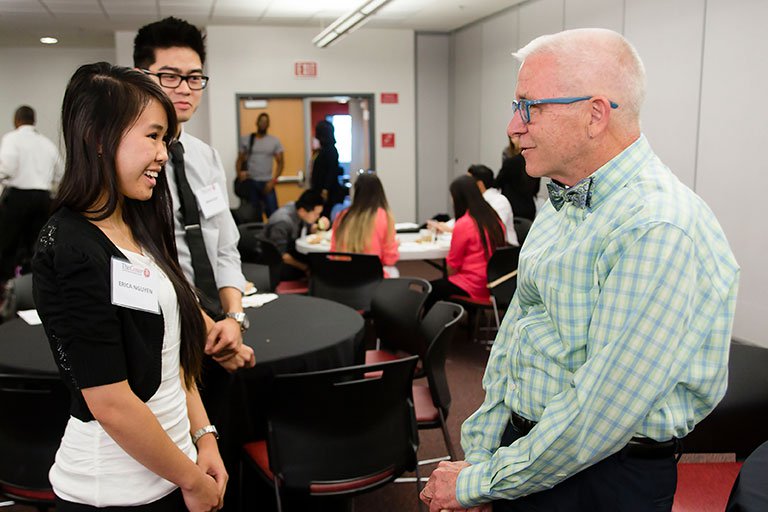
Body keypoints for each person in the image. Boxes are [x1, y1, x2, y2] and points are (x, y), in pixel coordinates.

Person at [419, 28, 739, 512]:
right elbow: (517, 340)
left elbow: (599, 414)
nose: (513, 125)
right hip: (531, 457)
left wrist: (479, 483)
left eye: (529, 106)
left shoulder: (658, 226)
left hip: (601, 479)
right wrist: (483, 457)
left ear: (594, 115)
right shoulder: (563, 199)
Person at [32, 62, 225, 512]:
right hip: (114, 491)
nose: (163, 154)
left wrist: (204, 438)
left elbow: (172, 355)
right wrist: (192, 481)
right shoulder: (70, 246)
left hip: (175, 469)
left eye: (166, 140)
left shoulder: (139, 222)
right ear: (99, 137)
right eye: (153, 137)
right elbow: (111, 401)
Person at [133, 17, 254, 389]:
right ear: (141, 76)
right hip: (162, 332)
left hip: (219, 325)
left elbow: (225, 247)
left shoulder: (206, 157)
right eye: (169, 76)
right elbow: (146, 260)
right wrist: (208, 328)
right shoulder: (128, 162)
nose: (184, 88)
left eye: (194, 77)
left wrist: (233, 318)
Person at [0, 105, 63, 286]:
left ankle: (6, 288)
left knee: (8, 245)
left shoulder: (12, 139)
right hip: (43, 199)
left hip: (17, 198)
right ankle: (32, 286)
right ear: (33, 121)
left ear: (16, 120)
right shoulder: (47, 143)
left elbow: (7, 168)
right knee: (36, 247)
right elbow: (59, 173)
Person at [425, 174, 506, 310]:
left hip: (473, 285)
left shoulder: (465, 223)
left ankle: (428, 329)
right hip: (495, 284)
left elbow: (452, 265)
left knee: (429, 290)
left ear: (459, 198)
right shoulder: (494, 219)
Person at [330, 171, 398, 277]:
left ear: (356, 191)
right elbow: (389, 260)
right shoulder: (385, 217)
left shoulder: (342, 216)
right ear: (380, 191)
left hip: (342, 279)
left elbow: (333, 254)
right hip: (371, 280)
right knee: (393, 272)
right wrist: (395, 244)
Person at [265, 189, 324, 281]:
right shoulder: (282, 222)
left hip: (290, 251)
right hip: (275, 263)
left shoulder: (296, 208)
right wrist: (305, 268)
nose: (318, 217)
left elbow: (308, 227)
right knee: (316, 268)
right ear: (302, 211)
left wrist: (319, 227)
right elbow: (281, 255)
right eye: (316, 214)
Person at [235, 113, 284, 221]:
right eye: (261, 121)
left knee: (274, 216)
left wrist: (273, 181)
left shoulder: (274, 141)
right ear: (257, 123)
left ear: (268, 124)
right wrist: (239, 174)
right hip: (251, 183)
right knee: (253, 216)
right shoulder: (247, 140)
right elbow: (239, 160)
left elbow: (280, 163)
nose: (263, 124)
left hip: (267, 183)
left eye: (266, 122)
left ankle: (273, 237)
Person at [468, 165, 518, 246]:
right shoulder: (476, 200)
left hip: (504, 249)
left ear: (479, 185)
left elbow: (494, 230)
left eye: (468, 182)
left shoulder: (499, 201)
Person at [495, 137, 540, 221]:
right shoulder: (535, 163)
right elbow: (536, 189)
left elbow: (497, 183)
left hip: (512, 208)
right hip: (529, 209)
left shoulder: (510, 162)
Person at [310, 120, 344, 218]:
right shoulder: (322, 150)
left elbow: (331, 172)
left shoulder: (331, 150)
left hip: (327, 192)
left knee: (325, 216)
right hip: (320, 190)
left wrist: (325, 189)